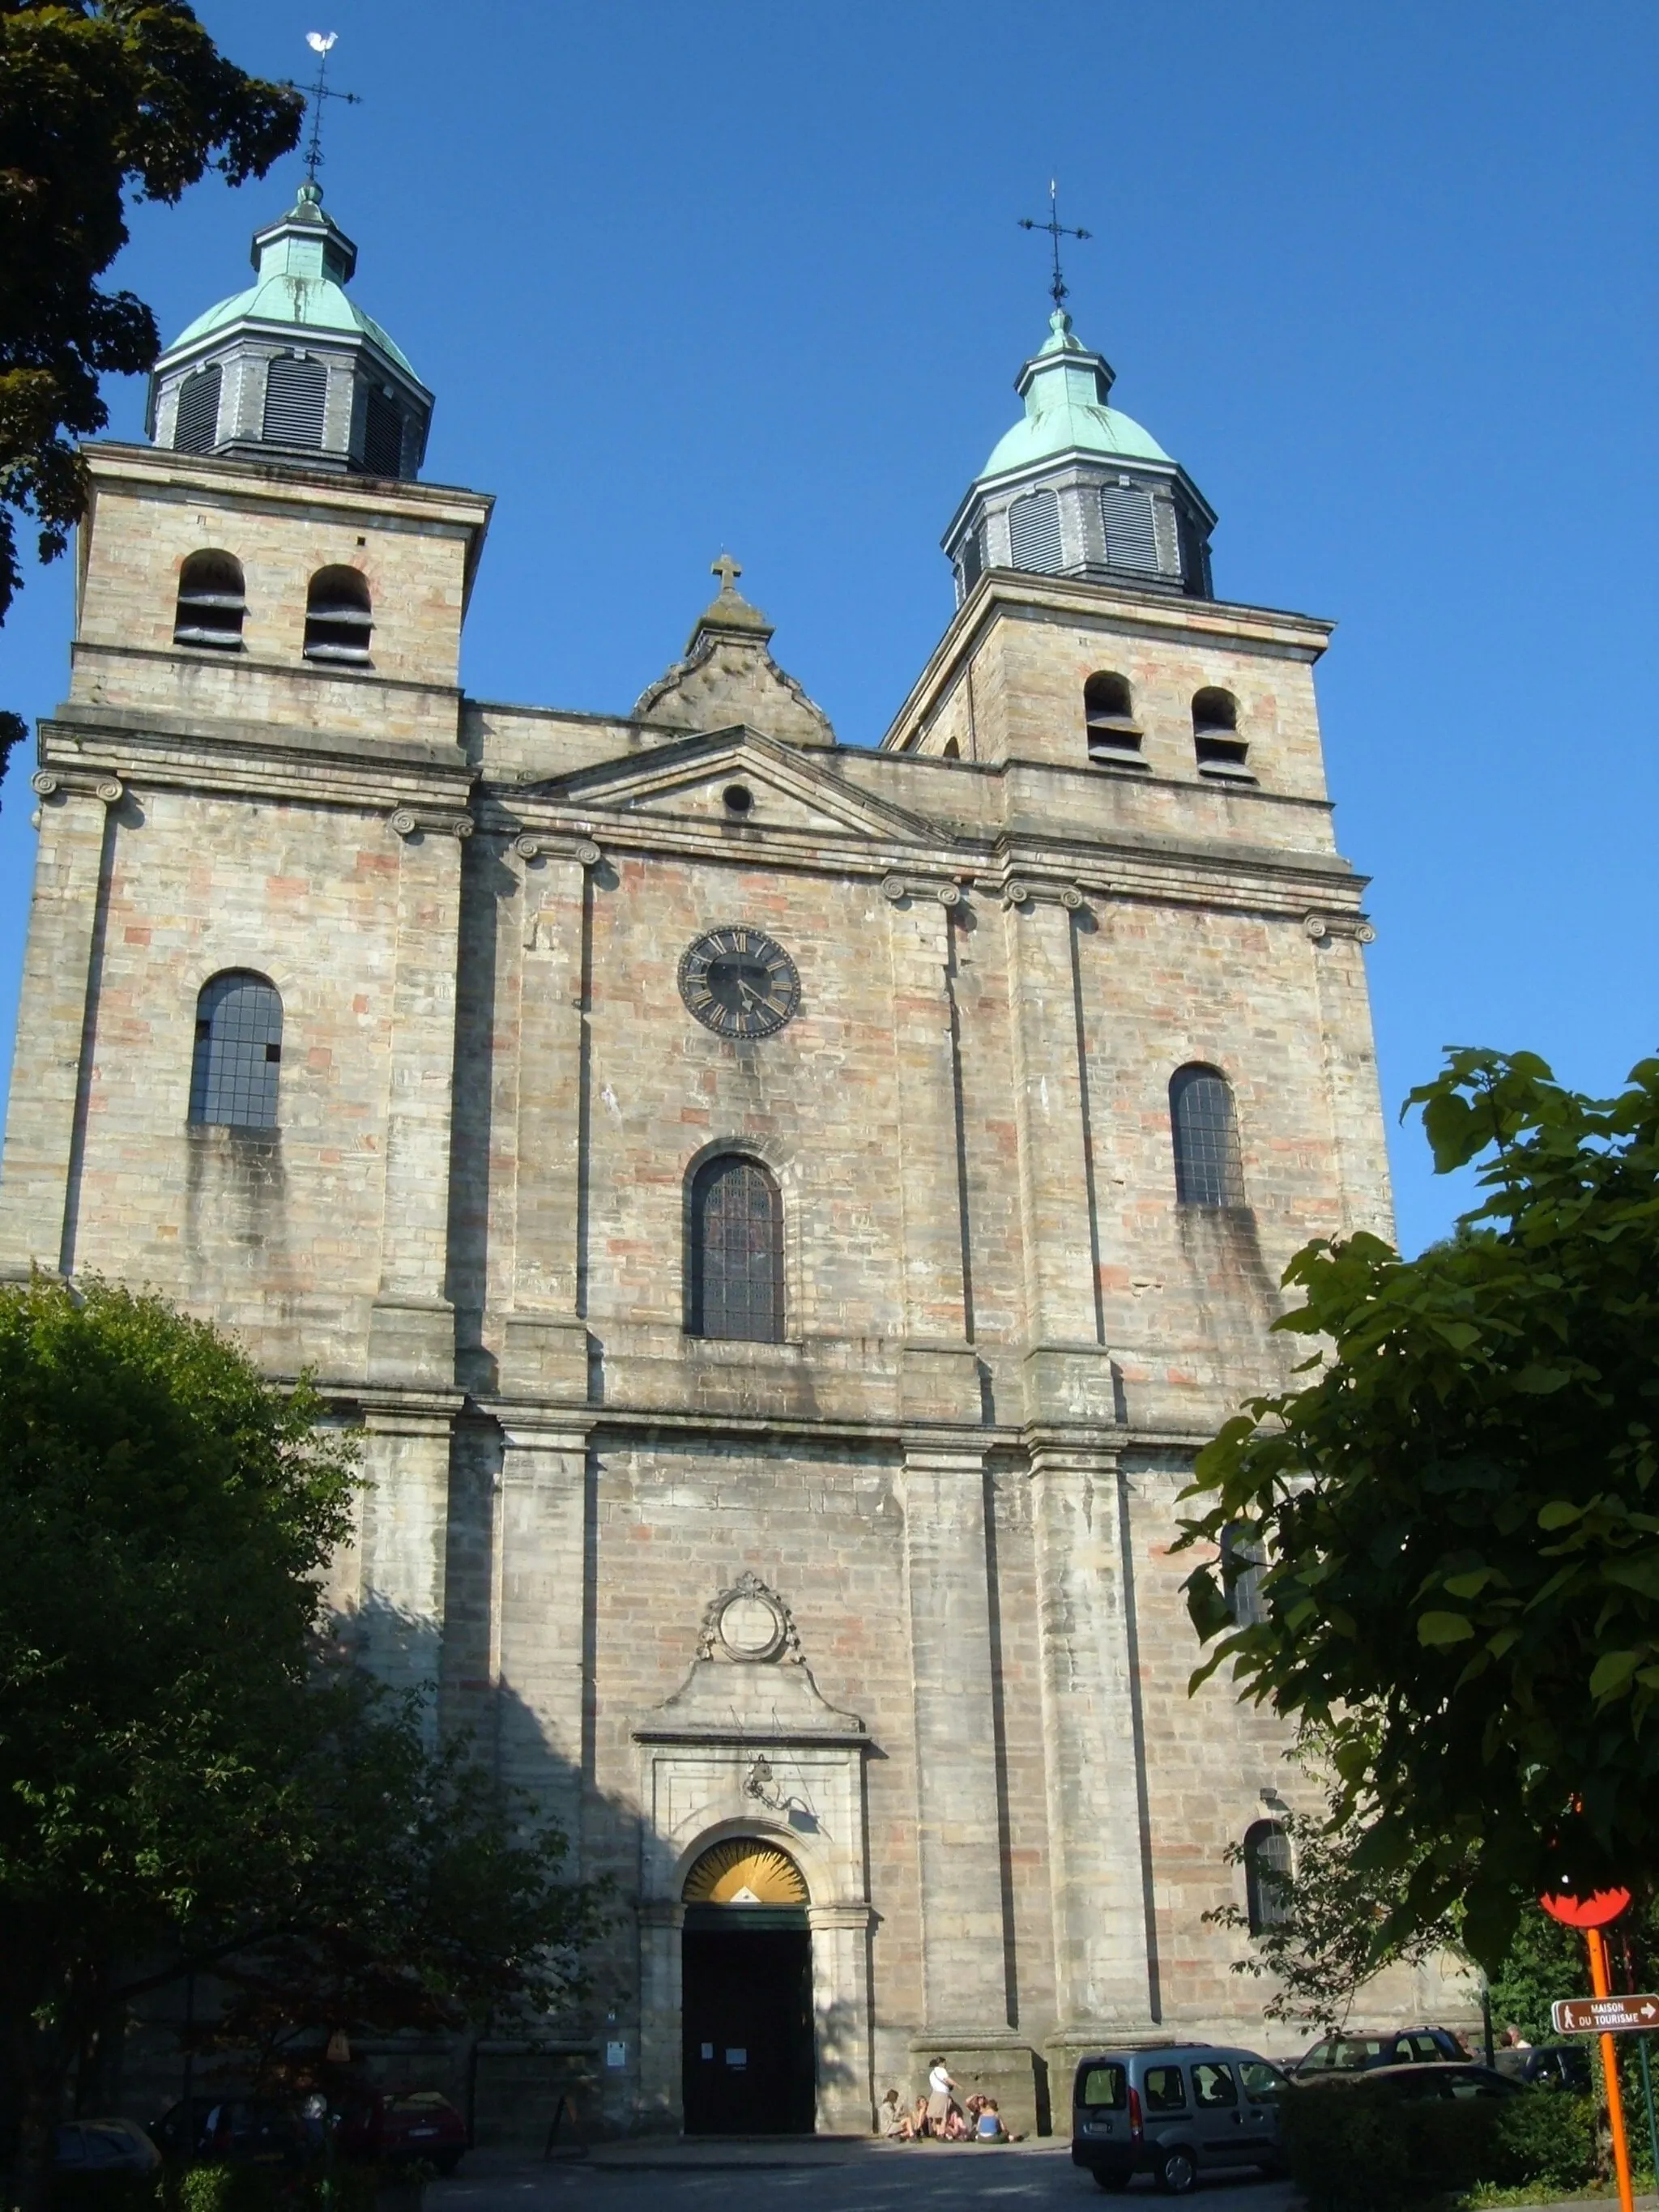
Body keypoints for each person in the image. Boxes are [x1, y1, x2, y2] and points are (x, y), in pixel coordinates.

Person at [925, 2058, 956, 2136]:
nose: (945, 2065)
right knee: (943, 2115)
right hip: (942, 2094)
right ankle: (941, 2134)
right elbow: (947, 2079)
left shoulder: (932, 2073)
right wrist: (958, 2085)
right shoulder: (941, 2070)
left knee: (937, 2117)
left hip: (935, 2093)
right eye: (945, 2063)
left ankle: (939, 2133)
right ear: (941, 2063)